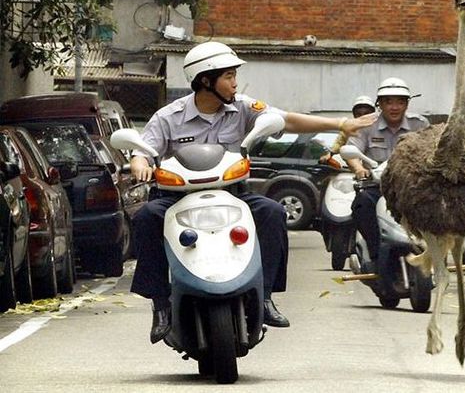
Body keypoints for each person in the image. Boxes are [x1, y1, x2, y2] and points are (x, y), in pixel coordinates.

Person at [130, 41, 376, 344]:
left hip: (232, 194)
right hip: (178, 198)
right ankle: (160, 306)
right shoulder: (170, 115)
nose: (235, 83)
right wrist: (140, 163)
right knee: (146, 217)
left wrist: (340, 124)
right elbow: (143, 148)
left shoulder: (243, 107)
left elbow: (285, 120)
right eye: (229, 76)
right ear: (206, 80)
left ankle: (265, 297)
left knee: (272, 213)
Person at [345, 77, 429, 272]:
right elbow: (352, 151)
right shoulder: (367, 124)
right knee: (361, 204)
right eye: (388, 101)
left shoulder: (420, 124)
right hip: (377, 186)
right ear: (380, 104)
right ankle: (375, 255)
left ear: (407, 104)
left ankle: (430, 251)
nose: (394, 107)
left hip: (411, 189)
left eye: (400, 101)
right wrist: (359, 169)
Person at [320, 95, 376, 163]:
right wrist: (329, 155)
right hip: (355, 167)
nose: (363, 116)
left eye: (366, 113)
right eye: (359, 114)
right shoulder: (349, 129)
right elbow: (338, 145)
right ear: (354, 115)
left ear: (373, 113)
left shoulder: (382, 127)